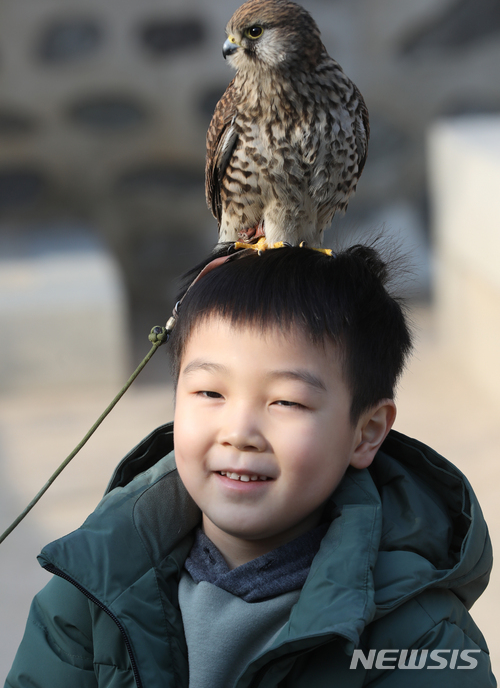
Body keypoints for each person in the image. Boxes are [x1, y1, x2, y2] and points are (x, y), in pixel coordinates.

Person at [5, 245, 496, 687]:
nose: (239, 432)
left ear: (366, 432)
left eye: (285, 402)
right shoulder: (92, 586)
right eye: (210, 393)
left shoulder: (419, 640)